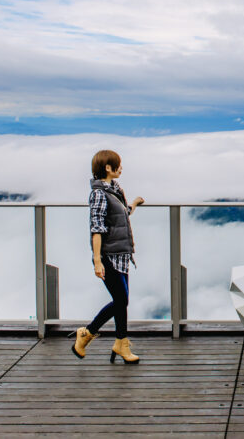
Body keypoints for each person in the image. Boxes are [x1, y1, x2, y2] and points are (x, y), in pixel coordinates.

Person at [71, 149, 144, 364]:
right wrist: (97, 261)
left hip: (121, 254)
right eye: (118, 165)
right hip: (108, 256)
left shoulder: (115, 190)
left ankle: (121, 344)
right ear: (107, 168)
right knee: (121, 300)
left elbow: (121, 215)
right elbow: (97, 228)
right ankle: (87, 333)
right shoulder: (99, 194)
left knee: (122, 301)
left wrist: (135, 203)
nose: (121, 168)